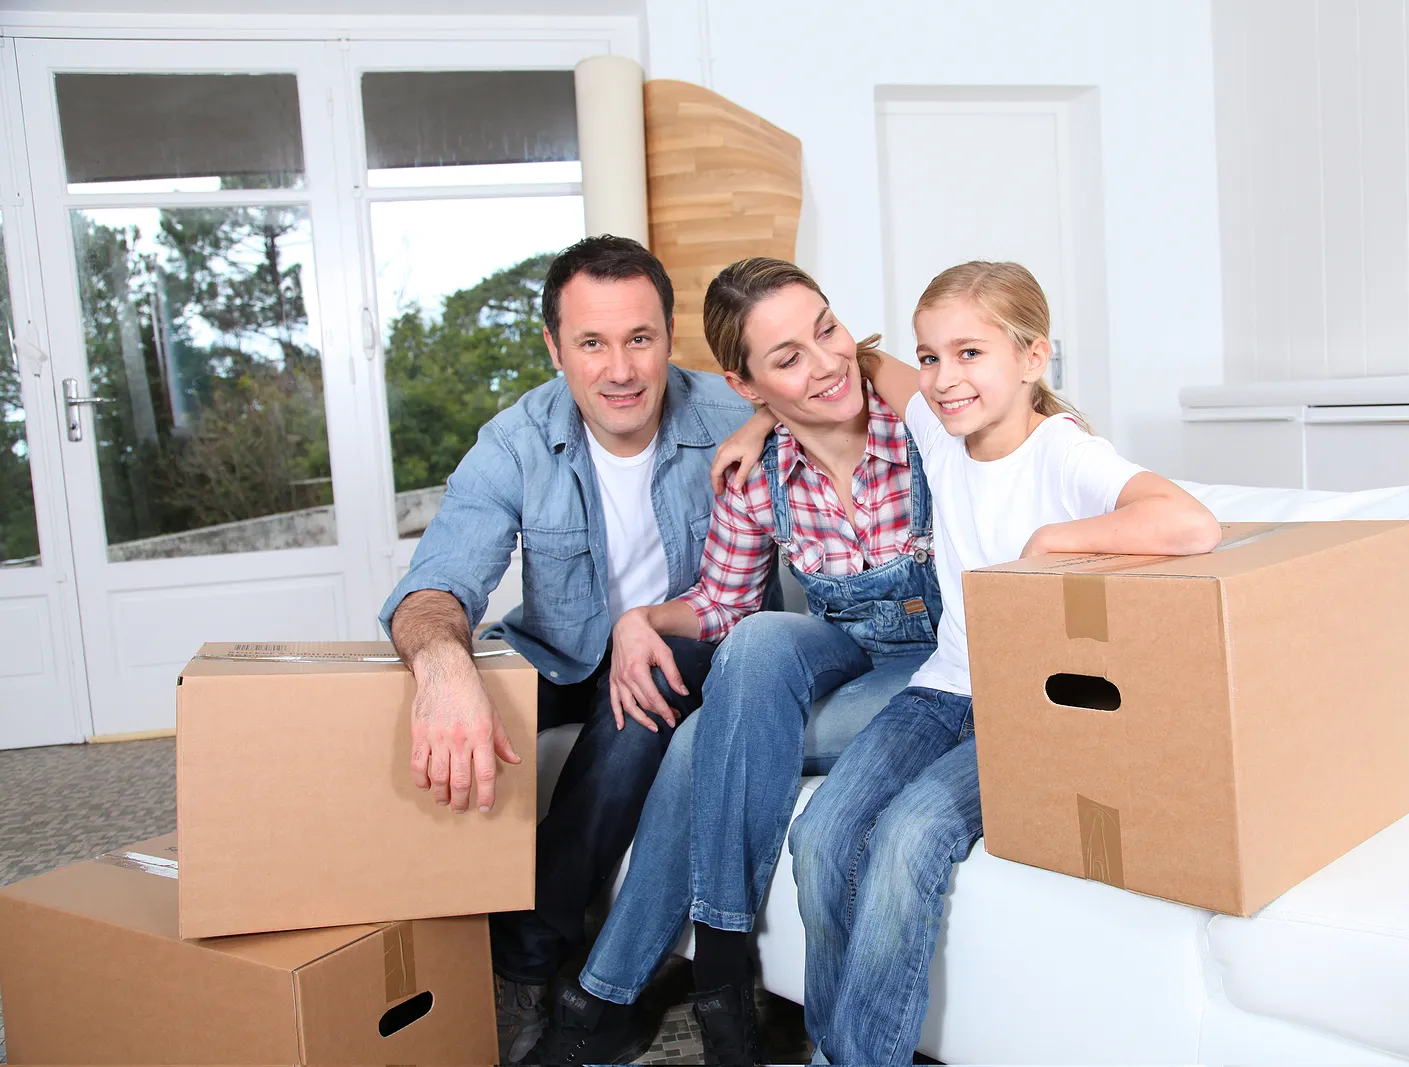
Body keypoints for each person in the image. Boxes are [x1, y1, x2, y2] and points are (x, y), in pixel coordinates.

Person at [788, 261, 1221, 1064]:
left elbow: (1192, 525)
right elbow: (870, 363)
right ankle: (834, 1048)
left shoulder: (1062, 453)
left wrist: (1052, 543)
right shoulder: (940, 430)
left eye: (969, 353)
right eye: (932, 357)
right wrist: (758, 427)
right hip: (941, 690)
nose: (945, 379)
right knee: (819, 835)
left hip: (1026, 711)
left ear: (1033, 358)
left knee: (910, 835)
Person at [531, 258, 941, 1066]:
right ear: (744, 382)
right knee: (754, 638)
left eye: (827, 330)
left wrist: (815, 379)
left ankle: (635, 986)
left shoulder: (920, 425)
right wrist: (639, 620)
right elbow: (720, 605)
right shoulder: (758, 479)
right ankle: (708, 978)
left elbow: (936, 379)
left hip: (940, 663)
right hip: (848, 654)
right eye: (787, 357)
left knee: (696, 740)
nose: (824, 363)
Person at [378, 235, 761, 1064]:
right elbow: (436, 580)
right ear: (555, 347)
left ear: (669, 338)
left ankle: (526, 957)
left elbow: (853, 393)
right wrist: (445, 667)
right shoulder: (516, 439)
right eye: (592, 342)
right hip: (556, 654)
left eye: (639, 338)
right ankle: (411, 942)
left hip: (686, 651)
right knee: (416, 694)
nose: (620, 369)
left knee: (650, 688)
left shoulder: (736, 420)